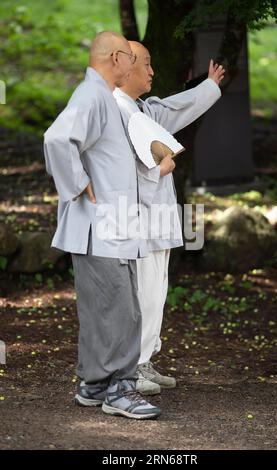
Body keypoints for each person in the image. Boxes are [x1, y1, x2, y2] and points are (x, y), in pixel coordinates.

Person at [44, 31, 161, 419]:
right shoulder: (92, 95)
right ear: (115, 58)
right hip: (103, 228)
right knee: (120, 311)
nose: (133, 63)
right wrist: (77, 183)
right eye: (130, 56)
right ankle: (119, 390)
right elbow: (58, 139)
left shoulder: (101, 96)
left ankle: (93, 385)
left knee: (104, 309)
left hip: (111, 226)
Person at [113, 41, 225, 395]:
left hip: (157, 217)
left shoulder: (144, 108)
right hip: (135, 219)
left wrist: (209, 86)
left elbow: (177, 107)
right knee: (142, 291)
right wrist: (158, 170)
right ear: (124, 67)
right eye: (145, 64)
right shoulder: (114, 110)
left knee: (156, 289)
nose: (151, 71)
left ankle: (144, 359)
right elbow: (115, 169)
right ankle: (131, 367)